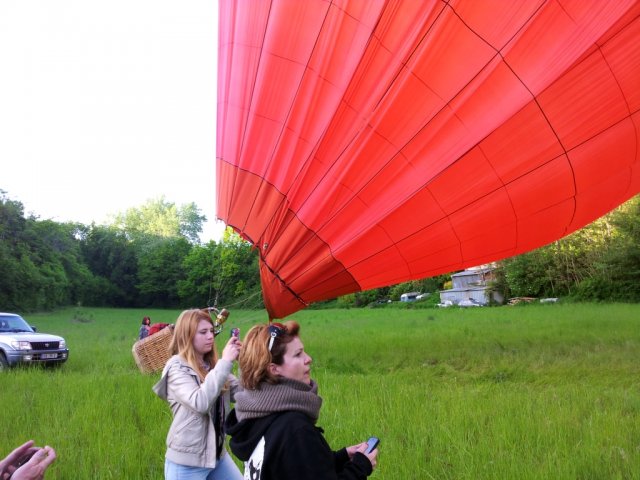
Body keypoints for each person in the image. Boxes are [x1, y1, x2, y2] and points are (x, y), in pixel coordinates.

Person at [226, 321, 378, 479]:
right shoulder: (294, 427)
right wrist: (361, 466)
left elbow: (292, 466)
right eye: (298, 354)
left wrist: (342, 457)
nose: (309, 359)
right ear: (274, 369)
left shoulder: (257, 415)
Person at [153, 309, 244, 480]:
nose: (210, 336)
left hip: (217, 456)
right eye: (203, 332)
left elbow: (244, 394)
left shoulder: (213, 366)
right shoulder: (176, 367)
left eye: (211, 331)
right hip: (187, 464)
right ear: (187, 335)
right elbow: (200, 402)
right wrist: (225, 362)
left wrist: (244, 362)